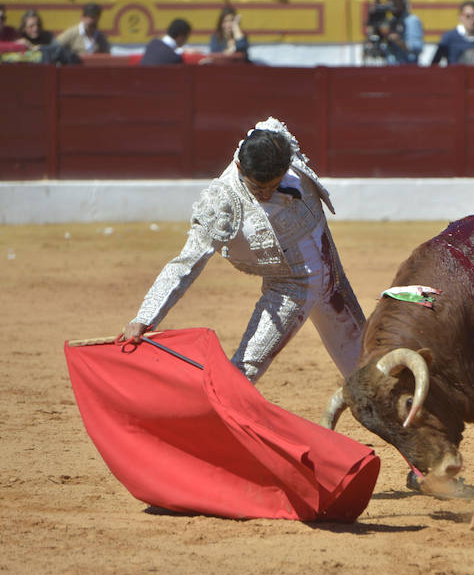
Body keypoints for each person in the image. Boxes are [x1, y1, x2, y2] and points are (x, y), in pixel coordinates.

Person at [119, 117, 365, 385]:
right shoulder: (221, 202)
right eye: (258, 187)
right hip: (292, 284)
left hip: (331, 272)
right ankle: (211, 412)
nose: (267, 194)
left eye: (274, 185)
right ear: (239, 167)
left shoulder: (276, 142)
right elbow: (186, 263)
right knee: (245, 368)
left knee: (366, 362)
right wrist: (145, 316)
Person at [431, 0, 474, 65]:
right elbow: (435, 64)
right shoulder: (449, 37)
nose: (473, 19)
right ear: (460, 17)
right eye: (468, 16)